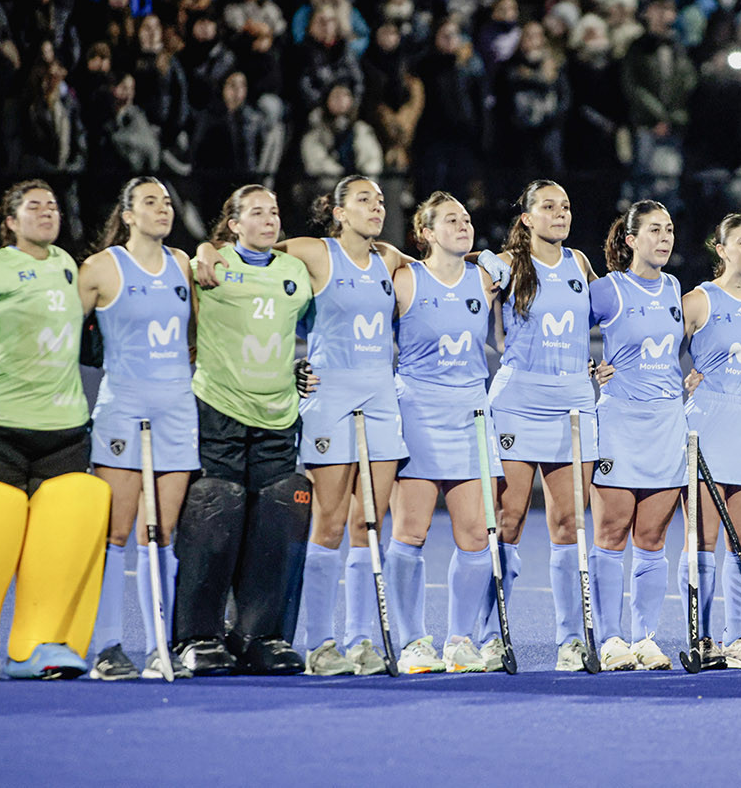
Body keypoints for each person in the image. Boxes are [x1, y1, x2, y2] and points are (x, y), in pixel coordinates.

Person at [194, 177, 408, 676]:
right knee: (328, 522)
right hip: (329, 397)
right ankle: (321, 642)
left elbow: (441, 273)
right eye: (363, 200)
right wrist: (205, 247)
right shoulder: (312, 252)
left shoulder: (391, 259)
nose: (376, 208)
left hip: (380, 399)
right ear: (337, 211)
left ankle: (358, 641)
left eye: (380, 201)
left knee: (368, 525)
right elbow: (249, 249)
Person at [0, 180, 106, 681]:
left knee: (59, 538)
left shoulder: (69, 268)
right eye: (33, 207)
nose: (47, 213)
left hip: (64, 429)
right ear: (10, 221)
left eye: (53, 206)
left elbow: (92, 335)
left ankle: (40, 644)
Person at [171, 185, 313, 676]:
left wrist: (307, 370)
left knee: (275, 520)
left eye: (274, 211)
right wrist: (204, 250)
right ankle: (197, 636)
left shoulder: (295, 272)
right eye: (256, 213)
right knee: (216, 511)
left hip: (278, 415)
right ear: (233, 224)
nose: (269, 219)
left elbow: (319, 328)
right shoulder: (208, 265)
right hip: (220, 410)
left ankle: (260, 635)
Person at [78, 177, 197, 680]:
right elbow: (65, 336)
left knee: (162, 533)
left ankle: (159, 647)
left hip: (176, 409)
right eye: (150, 202)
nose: (162, 209)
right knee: (117, 531)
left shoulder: (184, 264)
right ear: (127, 214)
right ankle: (107, 647)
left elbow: (192, 337)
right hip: (123, 410)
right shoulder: (101, 269)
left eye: (167, 202)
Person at [486, 180, 603, 672]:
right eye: (549, 207)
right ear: (527, 217)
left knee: (569, 523)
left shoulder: (579, 264)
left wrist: (607, 365)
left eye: (567, 206)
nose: (561, 213)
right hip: (518, 401)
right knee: (507, 520)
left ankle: (571, 641)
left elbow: (610, 319)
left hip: (574, 403)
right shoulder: (506, 265)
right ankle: (491, 637)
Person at [388, 192, 501, 674]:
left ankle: (460, 640)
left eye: (467, 219)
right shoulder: (404, 279)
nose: (464, 225)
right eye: (450, 220)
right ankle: (412, 641)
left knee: (476, 535)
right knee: (410, 531)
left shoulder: (487, 277)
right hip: (417, 410)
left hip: (471, 412)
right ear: (427, 233)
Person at [588, 200, 687, 671]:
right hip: (621, 424)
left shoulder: (675, 287)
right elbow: (562, 328)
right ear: (630, 240)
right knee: (610, 533)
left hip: (666, 424)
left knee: (651, 538)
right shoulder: (609, 289)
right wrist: (586, 368)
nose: (664, 238)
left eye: (668, 230)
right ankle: (609, 640)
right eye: (653, 230)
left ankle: (644, 638)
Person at [679, 214, 741, 670]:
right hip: (709, 425)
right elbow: (657, 352)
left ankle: (738, 638)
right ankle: (700, 636)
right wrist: (680, 381)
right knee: (702, 538)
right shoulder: (698, 301)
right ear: (721, 249)